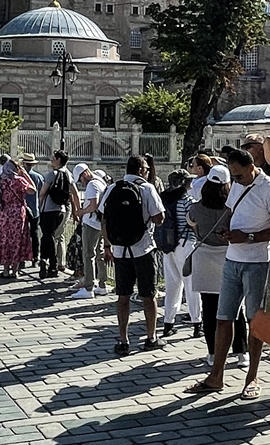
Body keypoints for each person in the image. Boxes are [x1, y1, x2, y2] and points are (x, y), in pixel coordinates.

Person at [188, 147, 270, 399]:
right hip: (232, 258)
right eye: (233, 177)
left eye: (240, 176)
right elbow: (232, 212)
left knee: (255, 321)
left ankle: (252, 377)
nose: (236, 181)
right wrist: (228, 231)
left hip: (257, 262)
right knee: (223, 318)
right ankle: (216, 376)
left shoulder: (269, 188)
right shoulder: (237, 184)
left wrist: (249, 237)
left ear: (252, 167)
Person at [100, 154, 165, 355]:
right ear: (140, 170)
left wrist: (108, 246)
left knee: (123, 295)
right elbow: (159, 218)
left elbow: (104, 218)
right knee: (149, 295)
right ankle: (151, 337)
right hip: (143, 248)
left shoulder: (112, 188)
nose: (147, 173)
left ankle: (122, 339)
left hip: (120, 251)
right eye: (146, 170)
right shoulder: (147, 188)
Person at [186, 166, 248, 366]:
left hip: (204, 257)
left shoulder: (196, 208)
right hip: (228, 256)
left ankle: (213, 353)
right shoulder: (232, 208)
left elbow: (192, 223)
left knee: (210, 308)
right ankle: (241, 351)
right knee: (235, 307)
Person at [159, 170, 201, 336]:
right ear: (184, 183)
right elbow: (194, 222)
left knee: (172, 286)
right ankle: (197, 322)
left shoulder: (163, 199)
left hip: (167, 246)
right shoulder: (187, 201)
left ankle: (168, 323)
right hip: (186, 244)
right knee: (191, 285)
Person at [70, 162, 108, 300]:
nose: (81, 182)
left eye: (80, 178)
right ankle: (102, 285)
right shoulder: (100, 181)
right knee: (100, 253)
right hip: (100, 223)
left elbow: (93, 205)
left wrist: (81, 212)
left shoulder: (92, 184)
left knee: (88, 254)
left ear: (85, 173)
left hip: (91, 223)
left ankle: (88, 287)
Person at [37, 150, 78, 279]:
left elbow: (43, 193)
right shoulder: (68, 175)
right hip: (61, 210)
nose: (51, 160)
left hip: (48, 209)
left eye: (53, 158)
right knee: (51, 236)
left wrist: (39, 205)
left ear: (59, 160)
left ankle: (50, 263)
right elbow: (75, 194)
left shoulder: (52, 174)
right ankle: (46, 261)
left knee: (47, 236)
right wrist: (77, 210)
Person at [0, 159, 34, 278]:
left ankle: (5, 270)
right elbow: (33, 190)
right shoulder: (19, 180)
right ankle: (15, 271)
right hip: (18, 213)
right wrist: (25, 175)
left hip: (4, 213)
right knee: (17, 239)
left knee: (5, 240)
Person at [22, 154, 44, 266]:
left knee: (22, 234)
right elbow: (42, 193)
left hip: (22, 209)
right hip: (35, 209)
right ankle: (35, 257)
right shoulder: (39, 177)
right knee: (34, 233)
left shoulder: (20, 178)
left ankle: (22, 257)